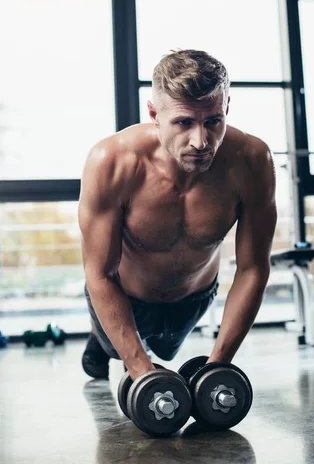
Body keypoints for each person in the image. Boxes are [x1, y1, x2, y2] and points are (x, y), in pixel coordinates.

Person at [79, 49, 277, 380]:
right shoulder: (113, 162)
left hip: (194, 296)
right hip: (127, 295)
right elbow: (99, 273)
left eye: (213, 121)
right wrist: (139, 369)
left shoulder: (252, 161)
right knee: (119, 349)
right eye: (184, 122)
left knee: (167, 350)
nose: (201, 141)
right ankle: (101, 344)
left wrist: (218, 365)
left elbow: (253, 268)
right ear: (154, 113)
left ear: (226, 107)